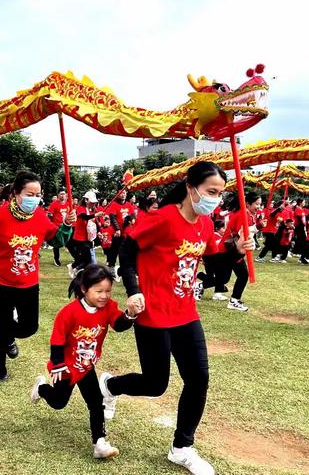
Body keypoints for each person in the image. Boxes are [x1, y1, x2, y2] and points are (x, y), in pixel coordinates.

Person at [97, 161, 253, 475]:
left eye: (220, 193)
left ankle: (181, 447)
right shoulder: (163, 219)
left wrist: (235, 251)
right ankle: (110, 385)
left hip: (185, 313)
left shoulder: (206, 224)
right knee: (156, 384)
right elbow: (127, 252)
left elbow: (217, 268)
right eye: (211, 191)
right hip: (153, 314)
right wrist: (133, 289)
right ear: (190, 188)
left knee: (199, 379)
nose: (215, 199)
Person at [0, 171, 76, 383]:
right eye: (29, 194)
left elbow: (57, 240)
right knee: (2, 325)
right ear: (16, 193)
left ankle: (7, 338)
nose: (34, 199)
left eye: (38, 194)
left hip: (28, 283)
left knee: (29, 327)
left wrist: (67, 225)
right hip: (0, 282)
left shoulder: (41, 216)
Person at [30, 264, 136, 459]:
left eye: (108, 291)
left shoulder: (109, 307)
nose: (104, 296)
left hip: (86, 366)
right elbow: (57, 340)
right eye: (99, 291)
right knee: (58, 402)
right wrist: (58, 364)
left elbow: (119, 325)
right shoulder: (69, 312)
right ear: (84, 289)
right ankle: (41, 389)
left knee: (96, 402)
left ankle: (100, 443)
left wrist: (130, 314)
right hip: (66, 367)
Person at [214, 192, 261, 311]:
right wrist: (249, 246)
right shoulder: (243, 214)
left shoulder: (246, 214)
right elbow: (242, 233)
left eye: (260, 204)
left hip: (230, 249)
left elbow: (243, 231)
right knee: (242, 274)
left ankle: (200, 286)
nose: (259, 207)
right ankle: (234, 300)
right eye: (257, 204)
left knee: (225, 278)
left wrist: (257, 227)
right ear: (248, 203)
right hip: (229, 249)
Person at [67, 191, 102, 279]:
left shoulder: (92, 210)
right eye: (91, 202)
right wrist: (95, 215)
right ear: (86, 200)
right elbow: (84, 217)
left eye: (94, 202)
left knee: (86, 259)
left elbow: (95, 223)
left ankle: (75, 268)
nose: (93, 204)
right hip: (79, 238)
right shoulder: (81, 208)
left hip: (88, 238)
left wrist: (99, 232)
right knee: (86, 258)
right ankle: (76, 268)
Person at [47, 190, 69, 267]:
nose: (62, 195)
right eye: (61, 194)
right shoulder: (54, 204)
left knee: (69, 242)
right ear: (58, 195)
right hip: (57, 227)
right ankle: (56, 259)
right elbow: (50, 215)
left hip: (65, 226)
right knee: (57, 244)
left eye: (64, 194)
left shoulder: (67, 204)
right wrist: (51, 225)